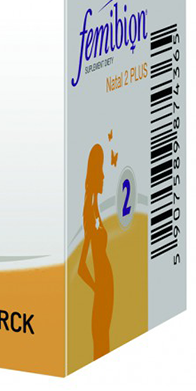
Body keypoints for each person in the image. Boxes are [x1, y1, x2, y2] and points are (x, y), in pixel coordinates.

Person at [78, 144, 113, 359]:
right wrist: (97, 289)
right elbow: (81, 268)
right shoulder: (89, 212)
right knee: (101, 344)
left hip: (106, 289)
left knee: (106, 341)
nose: (104, 176)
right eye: (100, 170)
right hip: (102, 291)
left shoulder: (95, 207)